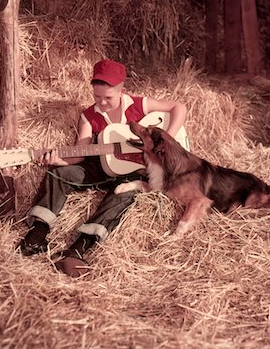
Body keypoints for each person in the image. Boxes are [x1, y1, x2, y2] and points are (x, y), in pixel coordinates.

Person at [19, 59, 187, 277]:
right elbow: (80, 151)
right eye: (97, 96)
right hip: (101, 167)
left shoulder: (138, 104)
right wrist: (61, 161)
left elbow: (179, 107)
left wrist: (165, 140)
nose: (103, 102)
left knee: (124, 193)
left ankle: (80, 247)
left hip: (135, 171)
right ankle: (38, 233)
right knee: (59, 173)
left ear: (121, 91)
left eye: (108, 97)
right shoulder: (88, 117)